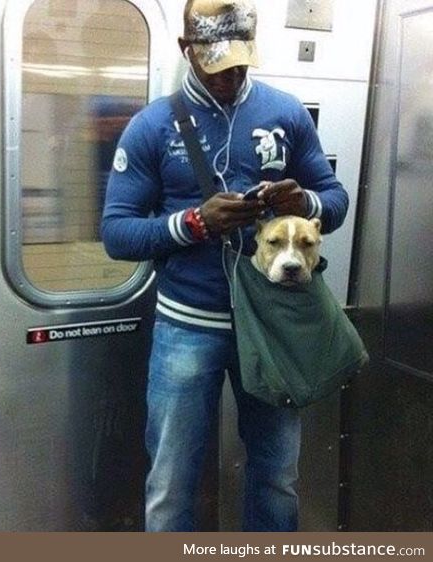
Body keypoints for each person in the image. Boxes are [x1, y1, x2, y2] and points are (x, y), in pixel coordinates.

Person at [101, 0, 349, 532]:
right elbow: (116, 234)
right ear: (186, 51)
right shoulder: (152, 127)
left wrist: (302, 200)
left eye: (240, 64)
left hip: (273, 325)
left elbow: (336, 199)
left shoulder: (285, 113)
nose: (231, 77)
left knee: (277, 474)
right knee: (171, 481)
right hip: (188, 325)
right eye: (216, 65)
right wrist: (193, 223)